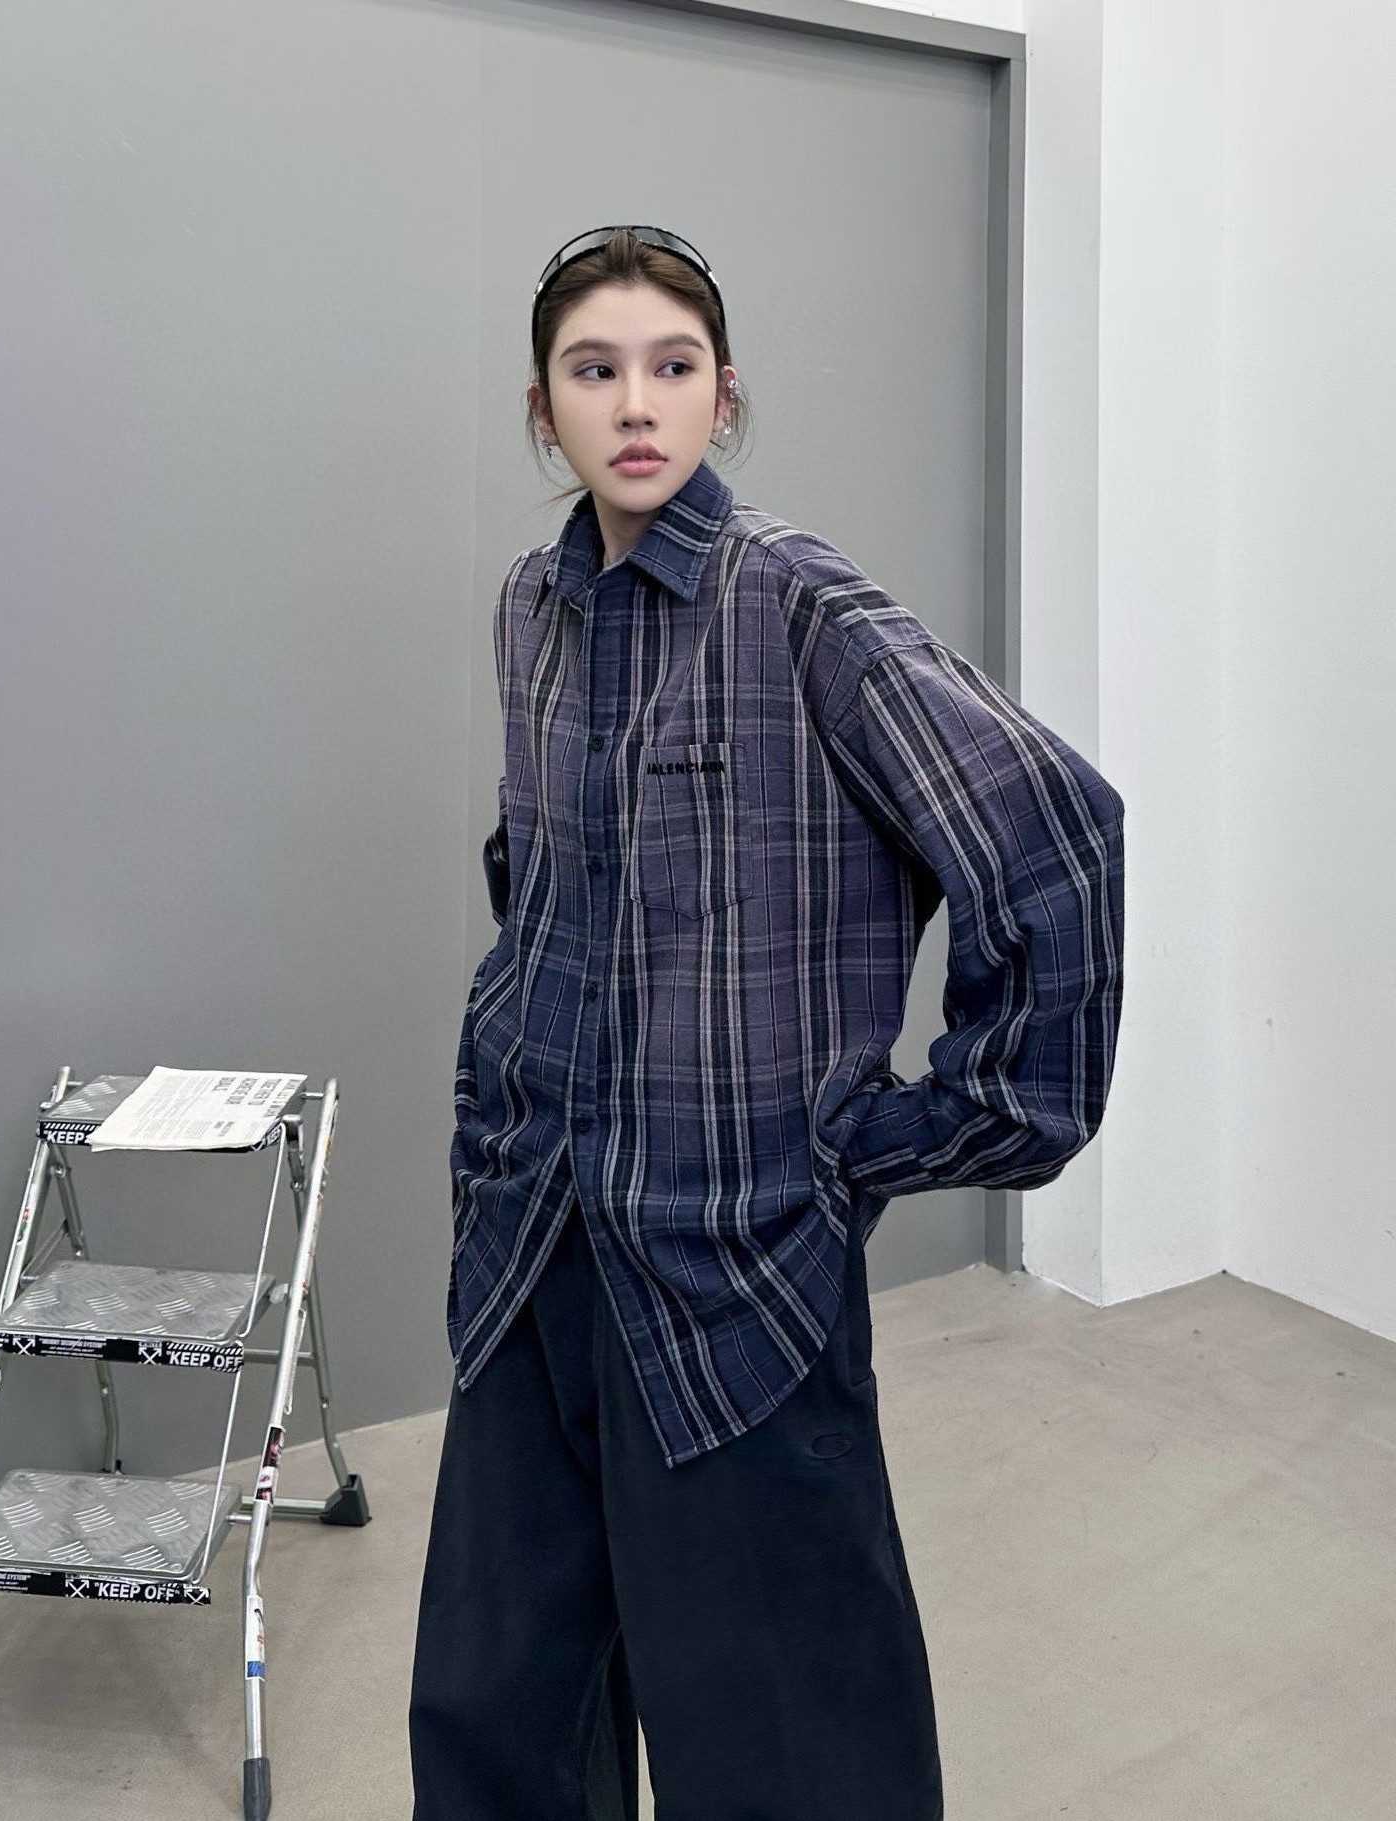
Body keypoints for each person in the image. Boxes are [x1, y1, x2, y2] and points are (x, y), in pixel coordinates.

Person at [409, 224, 1125, 1821]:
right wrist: (509, 1080)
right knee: (500, 1705)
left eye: (672, 367)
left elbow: (1054, 832)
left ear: (724, 395)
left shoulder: (801, 607)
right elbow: (540, 869)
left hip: (733, 1260)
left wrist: (918, 1127)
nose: (635, 404)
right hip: (534, 1231)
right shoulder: (532, 606)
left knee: (786, 1740)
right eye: (595, 370)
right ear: (543, 408)